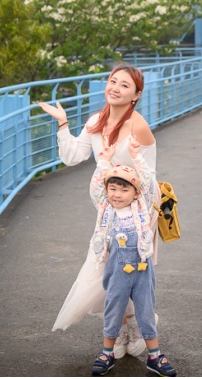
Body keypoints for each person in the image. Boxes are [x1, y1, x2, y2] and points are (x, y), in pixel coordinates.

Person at [38, 63, 158, 359]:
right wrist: (63, 124)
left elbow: (149, 177)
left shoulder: (139, 127)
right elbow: (73, 156)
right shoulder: (96, 121)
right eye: (113, 81)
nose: (115, 88)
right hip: (107, 211)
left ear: (136, 95)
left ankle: (134, 327)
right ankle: (123, 329)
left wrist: (137, 219)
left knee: (128, 270)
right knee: (107, 269)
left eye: (125, 85)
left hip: (137, 213)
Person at [86, 146, 177, 377]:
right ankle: (107, 353)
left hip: (142, 271)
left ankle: (155, 356)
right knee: (113, 310)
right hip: (117, 271)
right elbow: (96, 188)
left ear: (136, 192)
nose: (117, 194)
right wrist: (104, 161)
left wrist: (137, 157)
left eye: (124, 189)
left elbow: (148, 182)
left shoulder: (142, 207)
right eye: (112, 188)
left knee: (146, 312)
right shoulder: (105, 209)